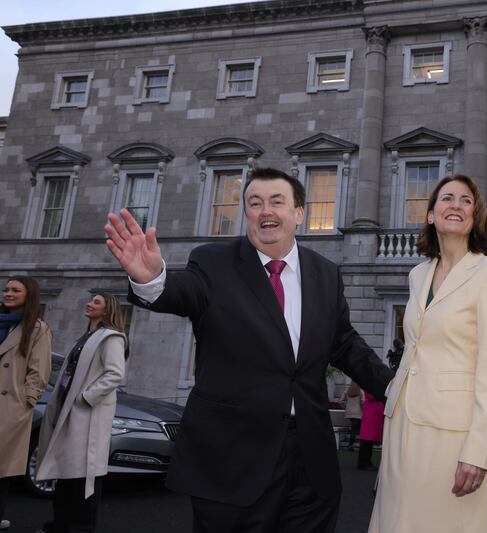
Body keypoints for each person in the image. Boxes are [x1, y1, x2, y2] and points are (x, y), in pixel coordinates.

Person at [105, 167, 394, 533]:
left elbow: (344, 343)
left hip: (310, 462)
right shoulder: (212, 262)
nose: (265, 211)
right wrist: (151, 279)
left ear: (299, 213)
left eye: (277, 201)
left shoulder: (325, 273)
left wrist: (394, 388)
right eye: (254, 203)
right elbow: (182, 292)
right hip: (232, 462)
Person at [368, 175, 487, 533]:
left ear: (474, 216)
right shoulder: (418, 274)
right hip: (402, 420)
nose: (456, 205)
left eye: (467, 200)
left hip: (452, 432)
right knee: (394, 520)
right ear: (431, 215)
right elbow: (414, 350)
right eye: (447, 198)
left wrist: (478, 452)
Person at [36, 292, 127, 533]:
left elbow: (115, 374)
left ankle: (78, 528)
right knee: (66, 476)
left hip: (85, 416)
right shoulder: (86, 337)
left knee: (82, 478)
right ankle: (58, 526)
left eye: (97, 302)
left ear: (107, 310)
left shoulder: (111, 338)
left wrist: (86, 398)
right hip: (68, 413)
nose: (89, 303)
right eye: (91, 300)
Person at [0, 276, 52, 532]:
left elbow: (39, 370)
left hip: (9, 407)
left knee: (1, 469)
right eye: (6, 289)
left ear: (28, 294)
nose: (8, 293)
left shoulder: (37, 328)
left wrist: (27, 402)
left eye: (15, 290)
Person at [357, 391, 384, 470]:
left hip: (372, 414)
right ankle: (364, 463)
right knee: (366, 442)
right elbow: (371, 396)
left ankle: (366, 462)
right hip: (371, 414)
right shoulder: (369, 389)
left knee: (367, 443)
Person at [340, 382, 363, 451]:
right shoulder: (360, 391)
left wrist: (345, 407)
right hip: (357, 412)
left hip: (349, 412)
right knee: (354, 429)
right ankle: (350, 445)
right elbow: (363, 402)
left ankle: (351, 444)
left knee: (354, 428)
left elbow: (341, 401)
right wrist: (363, 410)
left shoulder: (347, 391)